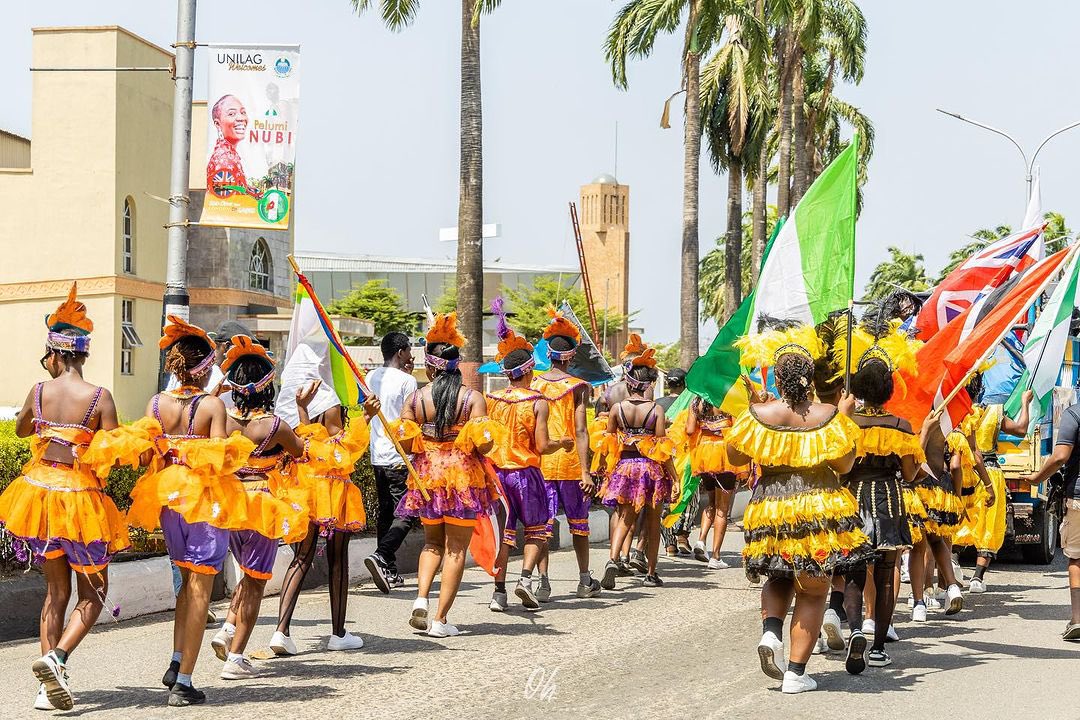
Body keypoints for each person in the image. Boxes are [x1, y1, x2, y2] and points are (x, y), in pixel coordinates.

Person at [86, 317, 254, 706]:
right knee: (199, 589)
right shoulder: (212, 405)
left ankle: (177, 661)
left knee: (184, 582)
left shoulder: (155, 403)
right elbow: (219, 462)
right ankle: (185, 682)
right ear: (205, 367)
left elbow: (145, 453)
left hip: (166, 499)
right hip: (204, 501)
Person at [0, 284, 129, 712]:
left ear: (54, 353)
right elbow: (113, 451)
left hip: (40, 496)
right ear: (84, 354)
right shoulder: (99, 396)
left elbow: (21, 430)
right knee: (93, 594)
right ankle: (56, 659)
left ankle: (44, 687)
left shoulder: (39, 391)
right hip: (83, 504)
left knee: (54, 595)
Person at [726, 324, 872, 694]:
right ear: (810, 379)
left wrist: (755, 408)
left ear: (777, 376)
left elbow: (734, 456)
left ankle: (771, 634)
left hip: (770, 505)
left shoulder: (760, 414)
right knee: (812, 590)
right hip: (818, 506)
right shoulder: (829, 415)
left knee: (778, 576)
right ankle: (795, 672)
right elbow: (844, 468)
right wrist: (845, 417)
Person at [391, 312, 503, 637]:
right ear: (458, 366)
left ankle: (421, 598)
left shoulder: (415, 399)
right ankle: (440, 620)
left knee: (431, 544)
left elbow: (406, 443)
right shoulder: (473, 399)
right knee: (456, 548)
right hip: (464, 478)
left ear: (429, 365)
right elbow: (483, 447)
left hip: (427, 475)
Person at [209, 337, 311, 680]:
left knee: (245, 573)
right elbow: (302, 452)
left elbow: (203, 427)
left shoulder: (222, 420)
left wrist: (213, 393)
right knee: (255, 582)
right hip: (263, 506)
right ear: (268, 386)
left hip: (231, 503)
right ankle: (236, 658)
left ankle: (227, 629)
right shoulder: (274, 426)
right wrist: (302, 410)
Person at [269, 381, 378, 656]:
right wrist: (365, 416)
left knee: (301, 558)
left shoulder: (307, 404)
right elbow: (343, 448)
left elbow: (310, 437)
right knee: (338, 559)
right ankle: (338, 633)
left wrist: (301, 408)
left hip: (306, 488)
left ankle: (281, 632)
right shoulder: (331, 399)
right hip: (334, 490)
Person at [839, 340, 921, 672]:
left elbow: (839, 466)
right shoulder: (901, 426)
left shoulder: (846, 423)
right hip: (889, 499)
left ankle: (857, 630)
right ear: (888, 389)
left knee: (854, 575)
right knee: (886, 577)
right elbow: (911, 474)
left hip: (853, 498)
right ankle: (877, 649)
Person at [486, 309, 571, 611]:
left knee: (503, 536)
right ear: (529, 370)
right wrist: (563, 442)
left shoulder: (491, 399)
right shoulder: (538, 402)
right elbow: (543, 445)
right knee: (537, 529)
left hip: (496, 475)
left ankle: (498, 593)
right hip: (526, 473)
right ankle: (524, 580)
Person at [532, 309, 602, 599]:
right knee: (579, 525)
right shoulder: (577, 387)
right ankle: (585, 580)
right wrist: (587, 471)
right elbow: (582, 430)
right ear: (572, 356)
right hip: (572, 463)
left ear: (547, 354)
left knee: (541, 527)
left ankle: (543, 583)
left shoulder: (533, 385)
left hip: (541, 463)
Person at [598, 348, 676, 589]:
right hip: (651, 470)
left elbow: (608, 442)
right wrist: (675, 477)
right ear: (646, 385)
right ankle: (651, 573)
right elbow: (662, 449)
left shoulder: (617, 409)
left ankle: (613, 559)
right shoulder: (656, 410)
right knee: (653, 523)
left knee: (624, 517)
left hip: (624, 467)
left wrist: (603, 471)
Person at [951, 374, 1029, 592]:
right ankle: (977, 578)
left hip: (964, 473)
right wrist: (1025, 403)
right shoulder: (995, 411)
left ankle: (953, 565)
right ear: (980, 388)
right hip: (990, 473)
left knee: (960, 520)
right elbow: (1021, 429)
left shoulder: (955, 413)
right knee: (989, 524)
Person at [364, 332, 419, 594]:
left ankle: (389, 569)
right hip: (399, 456)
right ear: (400, 352)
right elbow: (411, 421)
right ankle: (382, 555)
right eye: (409, 349)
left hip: (377, 455)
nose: (411, 354)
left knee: (387, 513)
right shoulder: (408, 382)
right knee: (408, 513)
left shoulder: (369, 377)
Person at [1021, 398, 1080, 639]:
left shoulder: (1074, 414)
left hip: (1078, 497)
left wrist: (1037, 478)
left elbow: (1060, 457)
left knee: (1076, 558)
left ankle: (1077, 619)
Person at [683, 395, 750, 569]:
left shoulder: (696, 401)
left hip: (704, 453)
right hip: (725, 454)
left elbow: (690, 430)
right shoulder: (727, 399)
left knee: (711, 502)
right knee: (722, 508)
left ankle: (701, 541)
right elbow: (738, 428)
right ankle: (716, 557)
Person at [657, 368, 696, 557]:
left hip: (664, 457)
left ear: (668, 384)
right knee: (689, 495)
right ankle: (682, 536)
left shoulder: (657, 404)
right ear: (685, 384)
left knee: (666, 498)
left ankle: (669, 544)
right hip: (686, 457)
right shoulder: (693, 402)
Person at [207, 94, 262, 199]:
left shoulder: (230, 155)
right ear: (218, 124)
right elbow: (227, 202)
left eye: (243, 112)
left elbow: (238, 189)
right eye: (232, 114)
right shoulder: (223, 159)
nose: (241, 118)